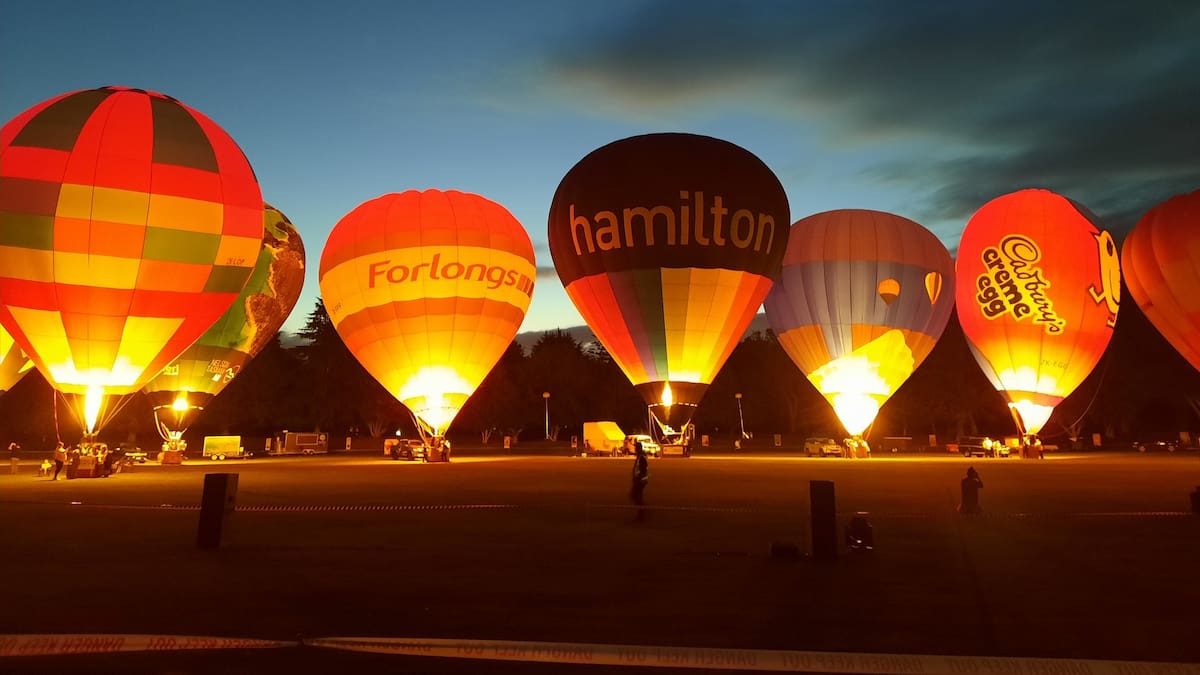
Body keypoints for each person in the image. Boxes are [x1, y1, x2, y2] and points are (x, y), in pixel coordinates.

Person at [630, 441, 649, 521]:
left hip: (640, 481)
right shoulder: (640, 456)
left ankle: (642, 513)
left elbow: (642, 470)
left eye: (636, 447)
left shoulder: (641, 457)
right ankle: (643, 512)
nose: (634, 449)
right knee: (636, 497)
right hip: (640, 480)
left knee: (635, 496)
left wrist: (638, 479)